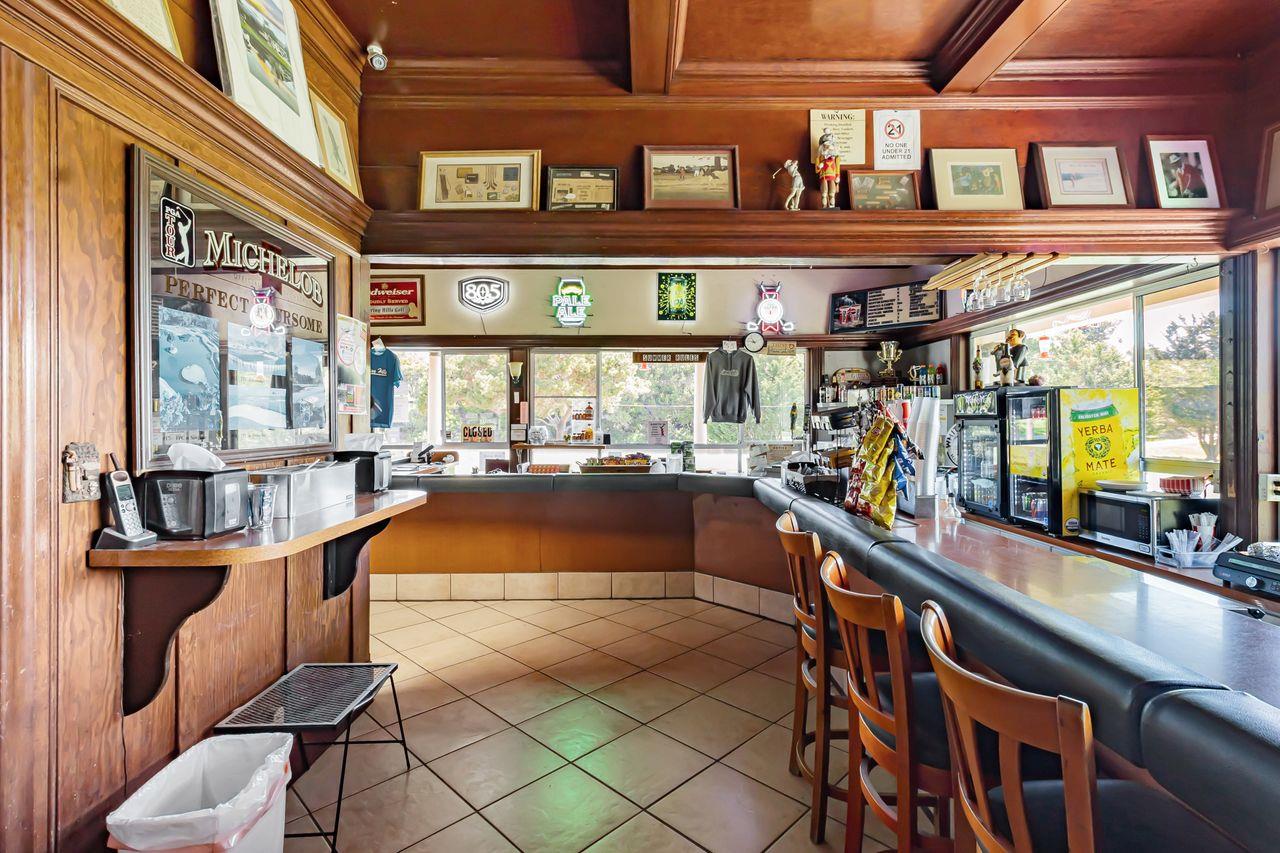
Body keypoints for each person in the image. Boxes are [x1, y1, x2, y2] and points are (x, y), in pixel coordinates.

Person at [814, 129, 841, 210]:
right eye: (826, 146)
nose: (828, 147)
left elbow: (837, 167)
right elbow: (817, 170)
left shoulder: (836, 158)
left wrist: (838, 176)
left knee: (832, 192)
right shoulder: (819, 158)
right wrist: (819, 166)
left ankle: (832, 205)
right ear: (822, 147)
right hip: (824, 175)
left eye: (830, 145)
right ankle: (824, 206)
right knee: (824, 193)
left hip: (832, 176)